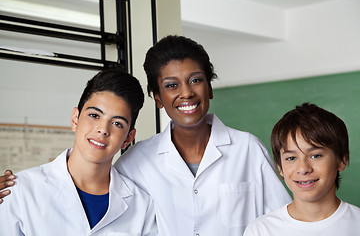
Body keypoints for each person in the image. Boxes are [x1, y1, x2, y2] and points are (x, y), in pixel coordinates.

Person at [0, 35, 291, 235]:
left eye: (196, 81)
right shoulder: (134, 165)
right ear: (158, 98)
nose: (186, 92)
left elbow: (284, 222)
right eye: (171, 85)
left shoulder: (248, 150)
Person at [0, 70, 157, 235]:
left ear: (128, 138)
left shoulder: (142, 206)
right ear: (75, 119)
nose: (103, 130)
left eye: (117, 123)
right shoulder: (19, 191)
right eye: (94, 115)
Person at [243, 103, 360, 236]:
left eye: (315, 156)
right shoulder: (261, 230)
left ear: (341, 160)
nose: (303, 168)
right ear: (280, 167)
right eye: (291, 158)